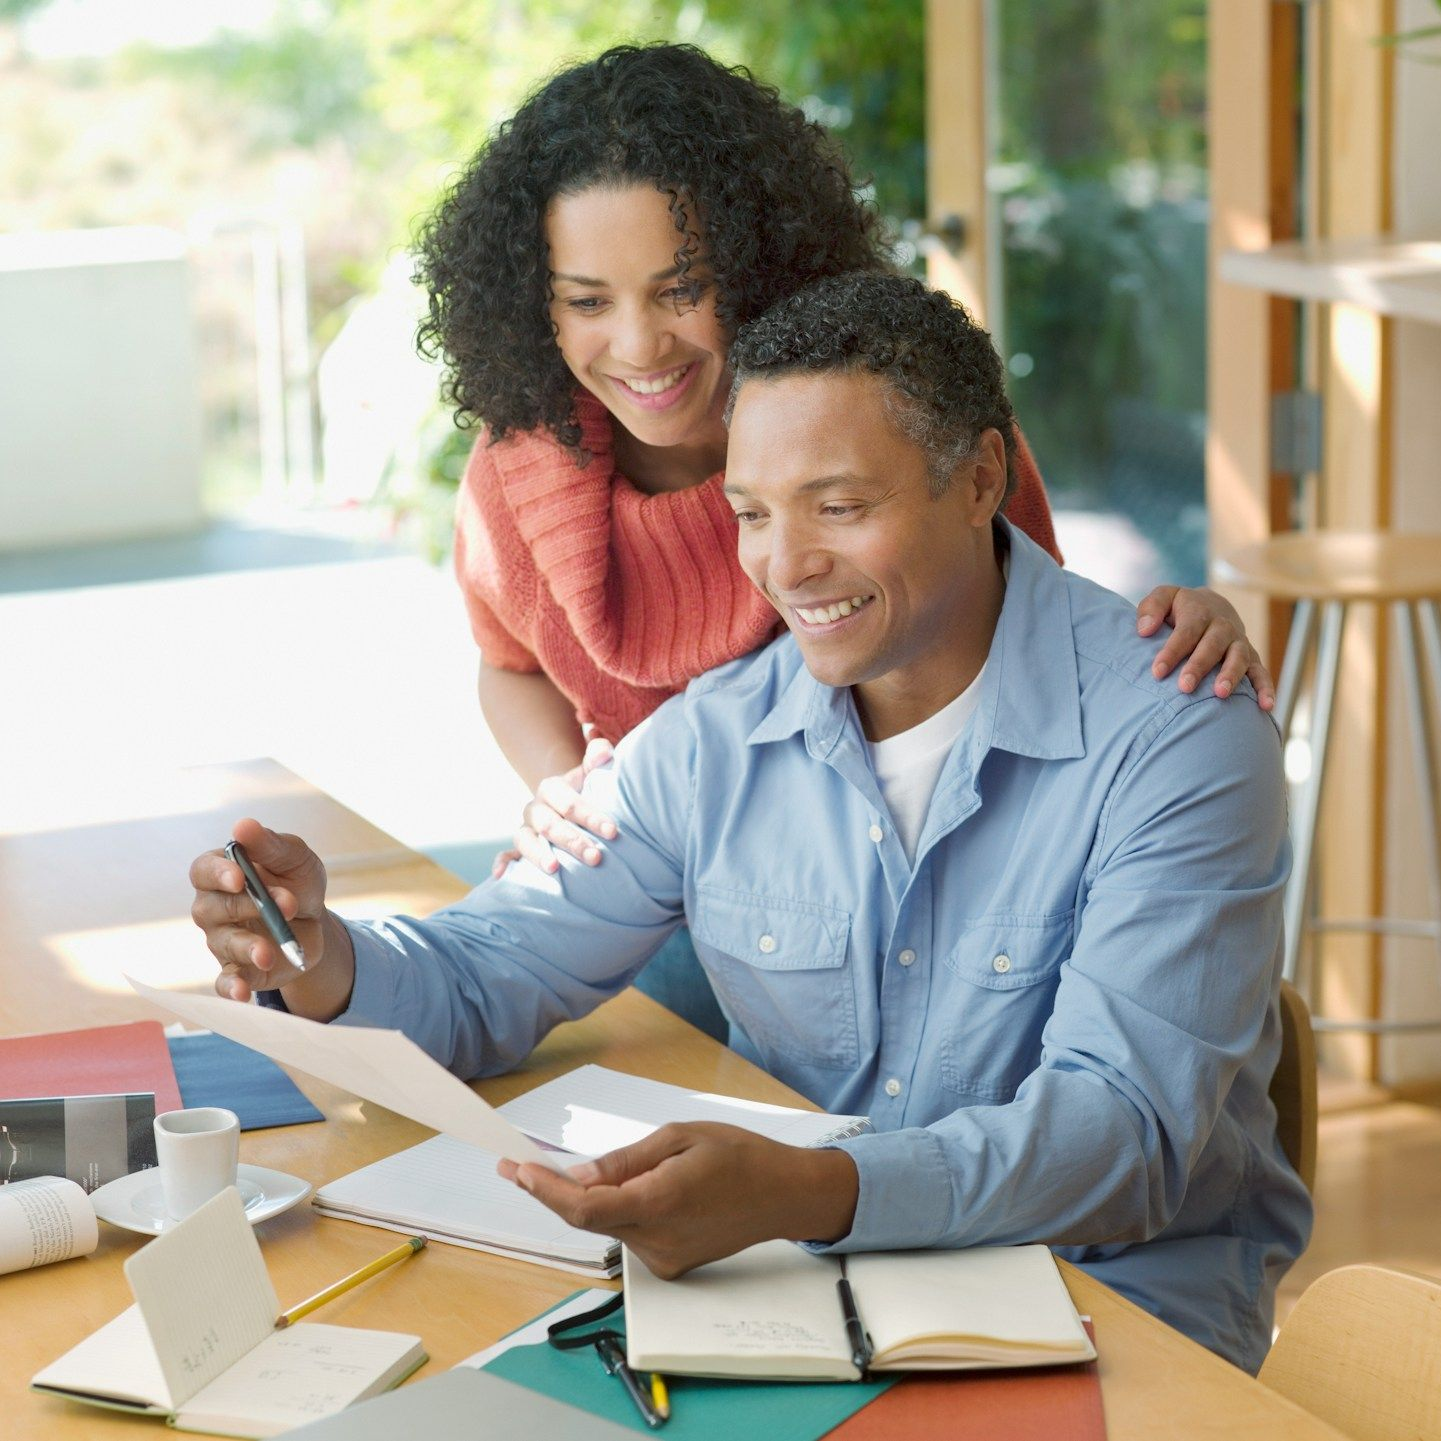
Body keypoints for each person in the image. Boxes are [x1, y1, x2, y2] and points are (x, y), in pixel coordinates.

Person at [191, 273, 1310, 1374]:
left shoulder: (1177, 738)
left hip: (1110, 1314)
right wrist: (322, 953)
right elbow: (489, 969)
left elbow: (1120, 1139)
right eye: (751, 513)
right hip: (807, 1301)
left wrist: (808, 1191)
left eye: (840, 505)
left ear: (978, 480)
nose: (785, 563)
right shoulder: (721, 736)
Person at [412, 46, 1273, 1037]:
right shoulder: (521, 468)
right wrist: (563, 791)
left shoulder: (884, 412)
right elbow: (506, 666)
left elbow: (1029, 642)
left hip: (873, 896)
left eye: (680, 288)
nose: (640, 345)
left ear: (752, 264)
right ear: (536, 304)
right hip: (635, 871)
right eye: (588, 301)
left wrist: (1170, 638)